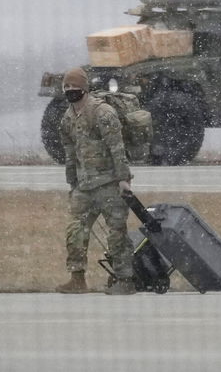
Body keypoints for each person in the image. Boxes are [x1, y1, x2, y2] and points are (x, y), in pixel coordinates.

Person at [55, 67, 135, 295]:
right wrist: (72, 183)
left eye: (75, 87)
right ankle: (77, 279)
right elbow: (70, 154)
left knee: (116, 233)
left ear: (85, 88)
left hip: (109, 184)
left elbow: (117, 148)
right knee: (75, 231)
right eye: (67, 87)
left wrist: (123, 180)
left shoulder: (103, 113)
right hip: (84, 186)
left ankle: (125, 280)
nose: (71, 91)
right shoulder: (68, 118)